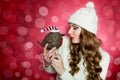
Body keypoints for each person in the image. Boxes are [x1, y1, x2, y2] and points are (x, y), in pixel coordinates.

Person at [42, 1, 110, 80]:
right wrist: (47, 63)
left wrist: (63, 72)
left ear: (87, 32)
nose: (69, 32)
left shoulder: (104, 57)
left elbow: (61, 72)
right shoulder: (64, 43)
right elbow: (52, 70)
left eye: (75, 28)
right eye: (70, 27)